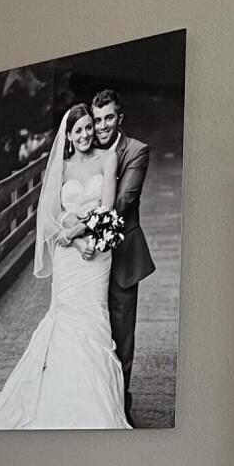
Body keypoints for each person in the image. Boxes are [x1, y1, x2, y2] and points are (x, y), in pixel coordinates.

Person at [0, 104, 131, 431]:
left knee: (94, 323)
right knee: (64, 321)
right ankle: (57, 403)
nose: (85, 134)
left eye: (88, 127)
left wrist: (80, 234)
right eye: (78, 130)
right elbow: (47, 219)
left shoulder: (106, 159)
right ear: (68, 136)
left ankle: (96, 406)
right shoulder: (61, 167)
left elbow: (106, 210)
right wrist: (72, 237)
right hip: (70, 257)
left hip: (96, 256)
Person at [61, 88, 155, 421]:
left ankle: (119, 409)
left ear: (120, 119)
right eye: (96, 120)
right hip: (86, 262)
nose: (99, 127)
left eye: (108, 119)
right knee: (87, 334)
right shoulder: (86, 152)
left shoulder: (136, 151)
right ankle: (87, 404)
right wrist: (70, 236)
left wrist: (74, 230)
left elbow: (121, 203)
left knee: (121, 337)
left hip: (122, 256)